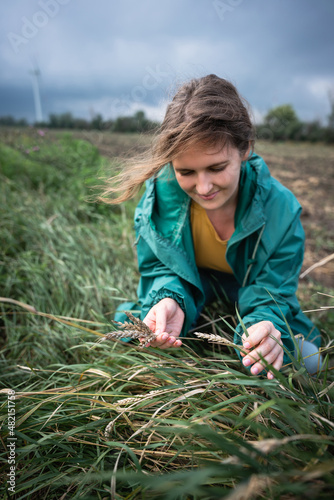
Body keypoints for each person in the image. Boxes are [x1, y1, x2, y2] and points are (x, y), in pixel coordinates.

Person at [101, 74, 322, 378]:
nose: (203, 187)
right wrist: (169, 299)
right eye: (186, 172)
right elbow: (160, 268)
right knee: (141, 329)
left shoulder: (281, 209)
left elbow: (274, 289)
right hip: (192, 281)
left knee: (308, 361)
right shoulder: (159, 200)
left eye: (217, 168)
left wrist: (265, 324)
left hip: (249, 288)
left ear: (244, 149)